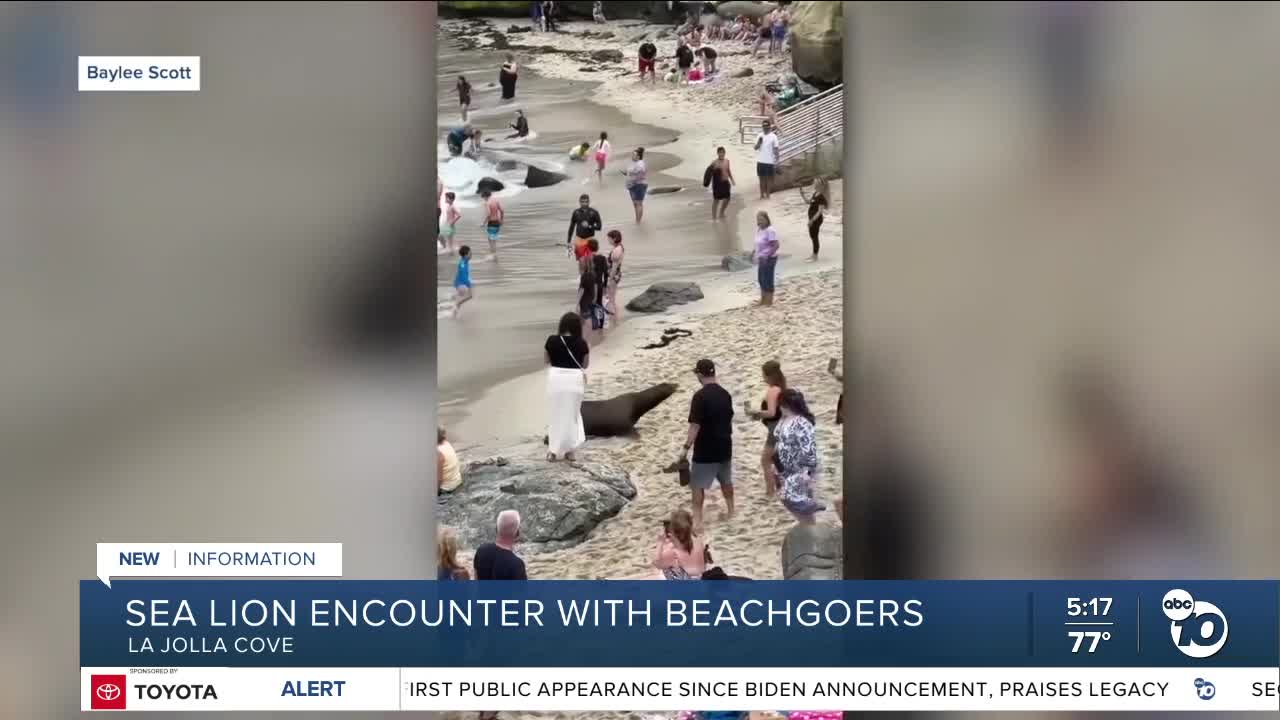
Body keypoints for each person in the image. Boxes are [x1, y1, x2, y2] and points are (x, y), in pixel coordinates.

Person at [676, 359, 736, 530]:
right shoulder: (725, 394)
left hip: (705, 448)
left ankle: (698, 521)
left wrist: (686, 447)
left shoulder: (699, 397)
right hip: (725, 445)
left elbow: (695, 425)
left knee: (697, 485)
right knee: (726, 481)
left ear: (700, 375)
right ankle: (731, 511)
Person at [772, 389, 823, 523]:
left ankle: (810, 529)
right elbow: (779, 441)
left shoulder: (802, 423)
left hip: (800, 470)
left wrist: (807, 473)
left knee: (798, 502)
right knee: (791, 501)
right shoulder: (784, 419)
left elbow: (809, 450)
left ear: (784, 404)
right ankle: (807, 527)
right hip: (784, 469)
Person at [544, 312, 589, 461]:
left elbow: (546, 360)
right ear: (577, 327)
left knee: (556, 414)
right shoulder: (582, 343)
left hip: (556, 380)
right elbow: (585, 365)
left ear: (562, 325)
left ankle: (553, 452)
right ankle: (570, 451)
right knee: (572, 415)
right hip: (574, 381)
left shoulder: (552, 340)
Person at [744, 360, 785, 497]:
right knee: (775, 457)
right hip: (781, 427)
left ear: (768, 375)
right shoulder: (781, 387)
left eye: (763, 374)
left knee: (765, 460)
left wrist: (756, 412)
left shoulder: (773, 390)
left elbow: (772, 412)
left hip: (775, 429)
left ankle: (770, 492)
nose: (762, 377)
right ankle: (782, 485)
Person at [652, 509, 707, 580]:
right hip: (700, 582)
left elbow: (656, 563)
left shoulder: (673, 552)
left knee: (661, 573)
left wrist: (660, 543)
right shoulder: (698, 542)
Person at [473, 510, 528, 579]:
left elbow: (476, 580)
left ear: (496, 528)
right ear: (517, 532)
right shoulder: (517, 565)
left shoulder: (481, 550)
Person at [752, 210, 780, 306]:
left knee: (768, 279)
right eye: (758, 219)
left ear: (767, 219)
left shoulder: (770, 230)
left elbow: (776, 245)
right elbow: (758, 243)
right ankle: (763, 299)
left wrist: (767, 256)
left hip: (769, 258)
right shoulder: (759, 230)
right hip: (761, 258)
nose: (760, 221)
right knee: (761, 279)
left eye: (762, 219)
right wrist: (753, 252)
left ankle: (769, 301)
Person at [799, 176, 829, 260]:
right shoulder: (815, 193)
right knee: (812, 236)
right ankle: (813, 254)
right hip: (812, 219)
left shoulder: (821, 197)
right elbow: (808, 202)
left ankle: (815, 256)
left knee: (814, 237)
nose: (813, 183)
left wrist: (812, 220)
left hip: (816, 219)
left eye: (815, 182)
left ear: (819, 184)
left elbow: (820, 211)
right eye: (814, 182)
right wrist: (802, 195)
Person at [566, 193, 603, 259]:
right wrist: (568, 241)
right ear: (579, 202)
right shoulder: (576, 212)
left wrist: (589, 226)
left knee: (590, 261)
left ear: (589, 202)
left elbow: (599, 227)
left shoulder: (594, 212)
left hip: (590, 240)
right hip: (579, 240)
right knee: (581, 261)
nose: (584, 204)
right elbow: (571, 227)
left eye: (586, 202)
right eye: (582, 202)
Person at [703, 146, 735, 220]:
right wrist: (707, 183)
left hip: (725, 182)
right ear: (717, 153)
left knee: (727, 199)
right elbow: (708, 173)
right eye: (720, 152)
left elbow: (728, 171)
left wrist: (732, 180)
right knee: (716, 200)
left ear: (724, 153)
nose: (721, 154)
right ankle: (714, 217)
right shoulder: (714, 163)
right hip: (717, 184)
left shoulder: (727, 161)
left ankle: (721, 212)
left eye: (723, 152)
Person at [754, 119, 780, 198]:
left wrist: (777, 160)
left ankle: (768, 194)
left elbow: (776, 149)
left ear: (769, 127)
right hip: (760, 161)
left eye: (766, 126)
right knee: (761, 179)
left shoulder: (774, 136)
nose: (765, 128)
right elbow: (755, 148)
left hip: (770, 161)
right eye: (763, 126)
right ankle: (762, 195)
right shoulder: (759, 135)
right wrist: (759, 142)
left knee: (769, 179)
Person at [623, 147, 648, 223]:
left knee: (638, 203)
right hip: (632, 186)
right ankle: (637, 219)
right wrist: (627, 174)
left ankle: (638, 221)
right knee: (635, 204)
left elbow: (640, 175)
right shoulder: (634, 163)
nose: (632, 156)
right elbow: (632, 173)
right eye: (632, 154)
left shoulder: (640, 164)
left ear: (638, 156)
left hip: (639, 185)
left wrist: (632, 180)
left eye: (634, 155)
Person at [605, 229, 624, 321]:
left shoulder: (617, 251)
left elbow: (614, 267)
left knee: (611, 298)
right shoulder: (619, 247)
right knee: (611, 297)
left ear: (614, 238)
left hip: (614, 275)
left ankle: (615, 318)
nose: (608, 240)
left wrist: (609, 280)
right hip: (616, 275)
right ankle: (614, 317)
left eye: (609, 239)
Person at [437, 426, 463, 494]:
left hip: (447, 489)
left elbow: (439, 480)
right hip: (457, 481)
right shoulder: (446, 443)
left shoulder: (438, 453)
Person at [451, 245, 473, 318]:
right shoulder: (463, 264)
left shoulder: (465, 261)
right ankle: (456, 305)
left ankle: (454, 314)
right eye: (470, 254)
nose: (471, 255)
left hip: (459, 283)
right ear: (465, 255)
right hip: (461, 284)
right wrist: (469, 284)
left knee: (461, 297)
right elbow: (463, 275)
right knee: (469, 295)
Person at [480, 189, 504, 259]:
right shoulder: (496, 201)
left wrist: (483, 223)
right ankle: (494, 254)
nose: (483, 199)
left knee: (491, 240)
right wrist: (501, 220)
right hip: (497, 223)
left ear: (485, 196)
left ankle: (493, 255)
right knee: (493, 240)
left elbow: (488, 214)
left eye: (483, 197)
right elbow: (502, 211)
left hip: (491, 223)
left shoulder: (487, 203)